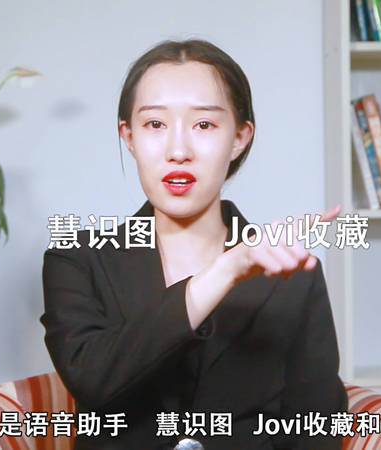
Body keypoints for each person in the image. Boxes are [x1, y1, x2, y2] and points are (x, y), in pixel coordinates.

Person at [41, 39, 348, 450]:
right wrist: (225, 270)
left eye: (204, 125)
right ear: (128, 136)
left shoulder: (292, 275)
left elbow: (315, 428)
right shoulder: (78, 259)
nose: (178, 151)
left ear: (239, 137)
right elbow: (92, 378)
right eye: (155, 125)